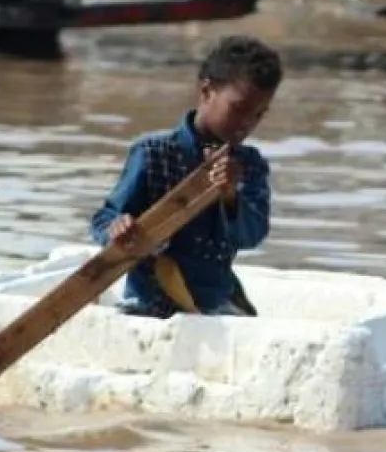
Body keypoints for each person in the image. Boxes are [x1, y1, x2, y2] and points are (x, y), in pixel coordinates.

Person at [88, 35, 282, 318]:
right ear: (206, 92)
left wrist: (230, 197)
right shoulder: (153, 152)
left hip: (215, 304)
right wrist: (118, 229)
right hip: (150, 305)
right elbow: (103, 221)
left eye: (258, 115)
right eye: (238, 109)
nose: (245, 124)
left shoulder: (249, 165)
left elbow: (252, 236)